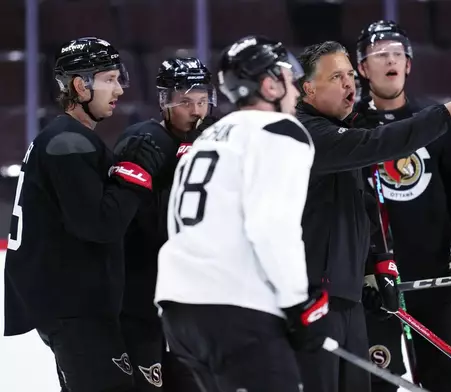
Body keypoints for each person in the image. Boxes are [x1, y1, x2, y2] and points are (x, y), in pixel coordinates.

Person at [294, 40, 451, 392]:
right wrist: (444, 114)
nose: (348, 84)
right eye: (336, 77)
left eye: (349, 75)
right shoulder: (307, 133)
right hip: (316, 298)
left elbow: (362, 205)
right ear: (308, 87)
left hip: (347, 294)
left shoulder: (340, 130)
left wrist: (377, 262)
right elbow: (375, 144)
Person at [154, 36, 329, 392]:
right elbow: (271, 225)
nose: (295, 89)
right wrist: (299, 303)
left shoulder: (208, 137)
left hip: (180, 312)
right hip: (236, 311)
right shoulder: (279, 131)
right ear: (269, 84)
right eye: (288, 78)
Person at [3, 37, 165, 392]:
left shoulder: (66, 137)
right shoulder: (68, 142)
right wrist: (135, 177)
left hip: (72, 305)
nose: (119, 87)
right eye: (109, 78)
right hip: (75, 308)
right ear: (81, 85)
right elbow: (99, 224)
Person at [352, 20, 451, 392]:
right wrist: (360, 268)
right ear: (362, 68)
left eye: (397, 54)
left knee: (444, 381)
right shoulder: (349, 129)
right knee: (376, 383)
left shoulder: (437, 122)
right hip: (373, 283)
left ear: (408, 64)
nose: (390, 60)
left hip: (435, 278)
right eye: (379, 55)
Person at [115, 57, 217, 391]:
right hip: (143, 294)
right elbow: (135, 221)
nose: (196, 110)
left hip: (195, 298)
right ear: (164, 101)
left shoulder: (218, 142)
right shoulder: (142, 141)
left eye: (201, 101)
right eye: (185, 101)